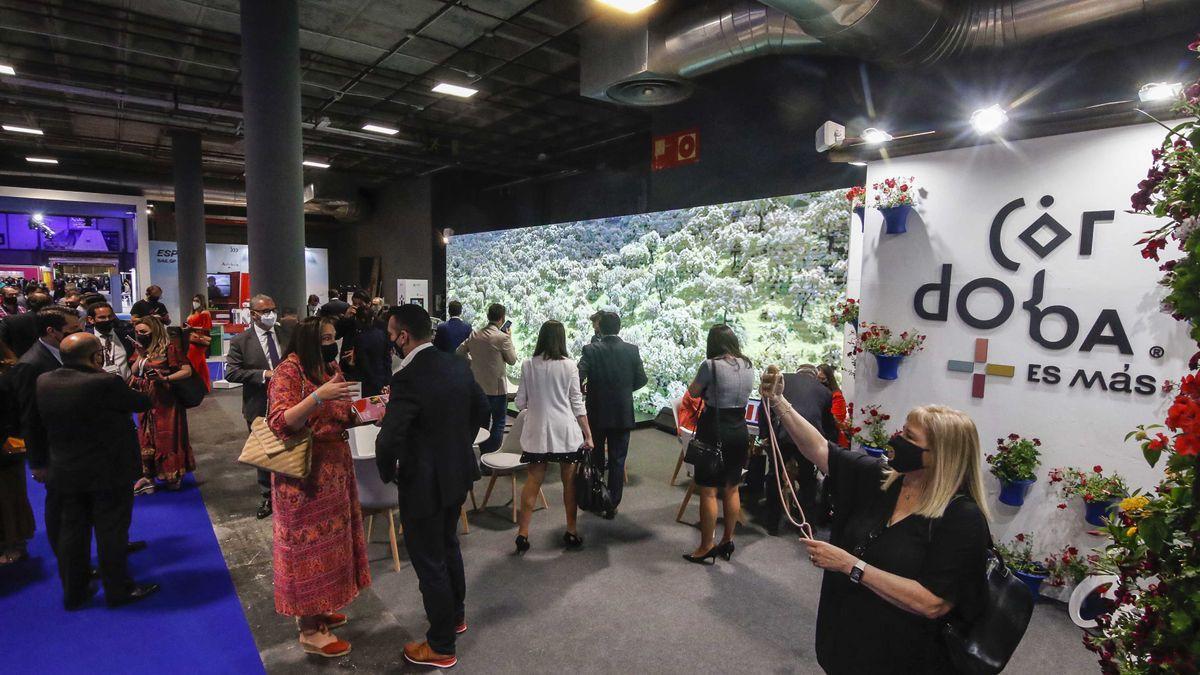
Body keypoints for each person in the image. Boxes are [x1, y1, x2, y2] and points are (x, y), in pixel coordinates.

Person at [759, 369, 992, 674]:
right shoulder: (884, 480)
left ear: (940, 456)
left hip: (906, 658)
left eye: (909, 437)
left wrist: (851, 566)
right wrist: (779, 402)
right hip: (852, 643)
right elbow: (818, 448)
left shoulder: (963, 519)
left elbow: (932, 603)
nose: (897, 439)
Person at [375, 304, 487, 669]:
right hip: (456, 476)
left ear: (403, 337)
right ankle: (455, 617)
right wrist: (457, 446)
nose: (391, 341)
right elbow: (482, 411)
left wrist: (387, 470)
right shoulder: (457, 363)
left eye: (392, 335)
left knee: (428, 560)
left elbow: (389, 438)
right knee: (448, 545)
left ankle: (440, 645)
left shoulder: (408, 377)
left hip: (422, 482)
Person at [267, 316, 369, 658]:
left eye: (333, 337)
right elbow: (280, 422)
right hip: (303, 478)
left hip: (335, 471)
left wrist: (368, 411)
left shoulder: (329, 368)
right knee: (306, 548)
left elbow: (342, 412)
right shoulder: (288, 371)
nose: (332, 343)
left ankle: (320, 607)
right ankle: (309, 628)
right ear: (309, 340)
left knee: (330, 545)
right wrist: (318, 398)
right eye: (325, 338)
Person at [36, 333, 159, 609]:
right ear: (96, 357)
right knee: (111, 532)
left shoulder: (45, 381)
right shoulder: (105, 381)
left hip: (65, 470)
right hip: (108, 471)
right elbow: (142, 402)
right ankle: (119, 590)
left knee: (72, 533)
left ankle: (75, 591)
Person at [513, 320, 593, 553]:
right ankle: (571, 530)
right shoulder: (569, 366)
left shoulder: (528, 365)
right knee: (569, 483)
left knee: (533, 482)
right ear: (562, 339)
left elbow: (520, 402)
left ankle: (523, 534)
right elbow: (577, 404)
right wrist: (588, 435)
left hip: (537, 433)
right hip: (565, 433)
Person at [682, 324, 754, 564]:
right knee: (731, 487)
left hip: (714, 429)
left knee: (708, 489)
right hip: (739, 429)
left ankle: (705, 546)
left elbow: (693, 392)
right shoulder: (748, 364)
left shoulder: (710, 365)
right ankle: (727, 540)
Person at [14, 307, 83, 556]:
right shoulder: (31, 364)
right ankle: (71, 565)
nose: (80, 333)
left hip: (76, 447)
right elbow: (29, 417)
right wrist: (37, 462)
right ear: (51, 331)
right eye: (73, 330)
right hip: (54, 452)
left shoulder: (65, 353)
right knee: (61, 510)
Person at [577, 311, 646, 519]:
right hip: (622, 413)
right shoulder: (632, 350)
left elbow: (577, 376)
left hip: (596, 412)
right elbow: (642, 379)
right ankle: (612, 502)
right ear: (619, 328)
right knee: (618, 459)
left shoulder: (590, 350)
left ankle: (595, 495)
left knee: (596, 457)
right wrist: (624, 390)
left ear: (600, 327)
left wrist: (588, 388)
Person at [225, 294, 289, 519]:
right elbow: (231, 372)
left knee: (291, 448)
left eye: (273, 309)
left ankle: (289, 492)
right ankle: (268, 496)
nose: (271, 314)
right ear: (253, 314)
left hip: (289, 404)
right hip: (259, 404)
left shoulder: (286, 333)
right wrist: (263, 374)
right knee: (263, 453)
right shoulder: (240, 341)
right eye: (265, 311)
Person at [758, 365, 839, 535]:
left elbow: (764, 406)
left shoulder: (783, 381)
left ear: (797, 372)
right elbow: (828, 425)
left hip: (782, 434)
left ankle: (772, 523)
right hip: (807, 439)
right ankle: (807, 524)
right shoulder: (825, 392)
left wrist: (765, 434)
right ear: (815, 376)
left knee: (775, 477)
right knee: (807, 480)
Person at [129, 315, 194, 493]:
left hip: (166, 400)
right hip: (146, 401)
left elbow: (187, 371)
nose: (140, 334)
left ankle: (172, 474)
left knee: (168, 437)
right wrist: (141, 356)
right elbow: (134, 372)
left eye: (143, 331)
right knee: (146, 436)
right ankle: (149, 475)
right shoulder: (142, 349)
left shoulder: (170, 348)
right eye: (137, 332)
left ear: (155, 330)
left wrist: (164, 377)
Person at [456, 303, 517, 458]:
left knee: (482, 423)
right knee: (498, 422)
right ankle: (492, 455)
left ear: (488, 316)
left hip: (478, 387)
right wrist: (510, 339)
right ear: (502, 318)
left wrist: (472, 363)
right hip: (496, 389)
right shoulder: (502, 338)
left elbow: (459, 352)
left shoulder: (475, 334)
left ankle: (483, 453)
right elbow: (512, 360)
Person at [0, 340, 34, 564]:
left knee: (9, 495)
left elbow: (22, 411)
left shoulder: (11, 371)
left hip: (6, 444)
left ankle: (13, 541)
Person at [344, 304, 390, 397]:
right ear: (372, 318)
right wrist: (387, 379)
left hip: (366, 381)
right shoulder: (382, 334)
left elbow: (363, 362)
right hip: (382, 375)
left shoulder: (359, 338)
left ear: (358, 320)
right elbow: (387, 358)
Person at [86, 302, 136, 380]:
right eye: (102, 317)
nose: (107, 320)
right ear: (91, 319)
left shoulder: (125, 334)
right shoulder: (86, 339)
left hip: (126, 384)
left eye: (110, 316)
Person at [0, 290, 52, 356]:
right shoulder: (53, 319)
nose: (14, 296)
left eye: (16, 294)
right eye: (10, 295)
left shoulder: (22, 309)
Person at [186, 294, 213, 392]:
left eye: (197, 300)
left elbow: (207, 327)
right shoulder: (192, 314)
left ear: (202, 301)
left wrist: (192, 328)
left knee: (193, 363)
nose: (195, 302)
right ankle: (204, 386)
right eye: (193, 300)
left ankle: (193, 385)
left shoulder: (205, 313)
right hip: (191, 339)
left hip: (199, 341)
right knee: (201, 364)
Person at [818, 364, 849, 447]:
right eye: (817, 379)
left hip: (832, 439)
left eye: (822, 379)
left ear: (829, 379)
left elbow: (838, 420)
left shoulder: (836, 395)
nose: (819, 382)